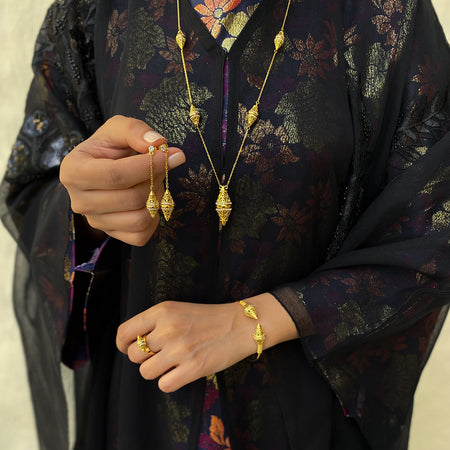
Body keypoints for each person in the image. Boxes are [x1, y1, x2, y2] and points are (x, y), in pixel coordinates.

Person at [1, 0, 449, 449]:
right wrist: (90, 213)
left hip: (304, 411)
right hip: (143, 399)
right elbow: (35, 185)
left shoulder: (385, 15)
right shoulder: (90, 12)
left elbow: (435, 227)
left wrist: (262, 319)